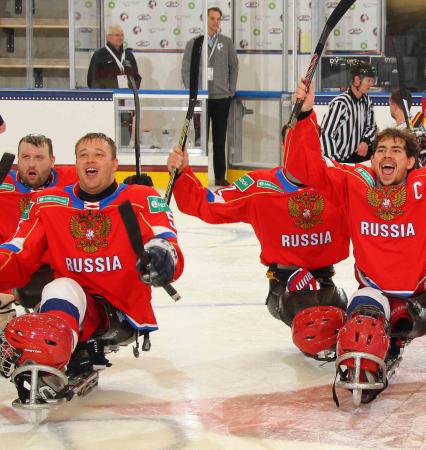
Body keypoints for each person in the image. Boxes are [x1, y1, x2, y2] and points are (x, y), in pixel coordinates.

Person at [286, 79, 426, 403]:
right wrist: (304, 115)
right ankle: (370, 341)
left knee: (379, 326)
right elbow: (306, 169)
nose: (387, 155)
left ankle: (392, 342)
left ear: (411, 161)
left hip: (417, 303)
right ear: (372, 160)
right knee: (353, 325)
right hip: (372, 290)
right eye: (380, 150)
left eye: (396, 151)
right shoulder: (354, 182)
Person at [0, 132, 184, 406]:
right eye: (83, 154)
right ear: (75, 164)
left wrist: (162, 257)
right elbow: (18, 250)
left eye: (99, 154)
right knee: (58, 289)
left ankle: (54, 357)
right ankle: (53, 360)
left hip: (120, 307)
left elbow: (165, 237)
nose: (90, 159)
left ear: (114, 164)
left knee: (57, 301)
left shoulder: (140, 197)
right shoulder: (48, 203)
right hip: (74, 297)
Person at [166, 126, 350, 360]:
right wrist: (182, 175)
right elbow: (208, 204)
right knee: (315, 330)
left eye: (311, 146)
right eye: (297, 145)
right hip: (285, 287)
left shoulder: (340, 182)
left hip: (326, 283)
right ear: (285, 148)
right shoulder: (259, 187)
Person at [0, 134, 79, 325]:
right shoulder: (3, 182)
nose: (31, 164)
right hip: (11, 263)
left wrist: (136, 184)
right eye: (26, 158)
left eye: (39, 158)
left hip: (52, 268)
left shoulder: (74, 179)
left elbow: (109, 190)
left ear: (52, 161)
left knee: (55, 317)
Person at [182, 6, 239, 186]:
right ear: (205, 19)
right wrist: (193, 92)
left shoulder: (226, 42)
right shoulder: (195, 43)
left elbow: (234, 67)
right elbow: (186, 69)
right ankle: (200, 174)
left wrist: (231, 90)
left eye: (218, 19)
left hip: (221, 98)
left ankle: (220, 176)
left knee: (219, 139)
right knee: (201, 138)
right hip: (202, 98)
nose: (215, 22)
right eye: (212, 18)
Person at [319, 60, 378, 164]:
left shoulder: (367, 101)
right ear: (356, 80)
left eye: (372, 81)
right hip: (340, 160)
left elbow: (372, 127)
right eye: (368, 80)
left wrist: (365, 141)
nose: (371, 84)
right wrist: (334, 162)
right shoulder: (341, 103)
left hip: (356, 158)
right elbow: (326, 134)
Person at [87, 25, 141, 89]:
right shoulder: (99, 55)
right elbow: (92, 80)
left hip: (127, 96)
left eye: (122, 35)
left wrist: (132, 90)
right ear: (108, 37)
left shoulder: (129, 55)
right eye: (117, 35)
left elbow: (136, 77)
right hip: (108, 96)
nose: (120, 38)